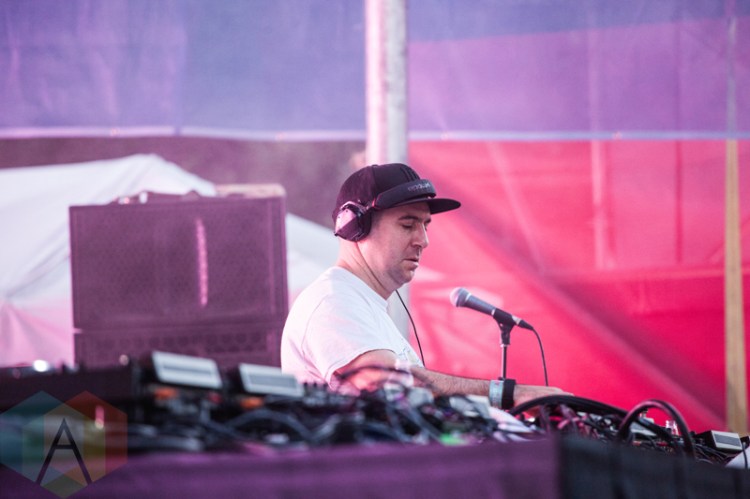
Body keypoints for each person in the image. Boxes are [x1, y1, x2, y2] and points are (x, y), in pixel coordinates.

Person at [281, 163, 565, 410]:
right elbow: (384, 384)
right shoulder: (333, 301)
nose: (423, 240)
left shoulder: (362, 304)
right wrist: (505, 395)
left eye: (425, 226)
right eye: (408, 225)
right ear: (355, 226)